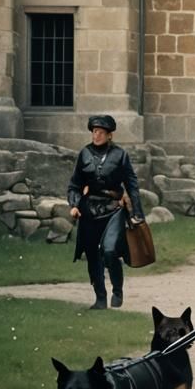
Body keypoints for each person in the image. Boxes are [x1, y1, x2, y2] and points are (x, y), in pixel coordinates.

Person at [67, 115, 145, 309]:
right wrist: (75, 204)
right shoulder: (84, 154)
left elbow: (132, 185)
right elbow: (74, 185)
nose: (97, 135)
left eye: (101, 132)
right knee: (92, 254)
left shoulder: (120, 155)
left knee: (110, 250)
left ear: (110, 135)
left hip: (113, 209)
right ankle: (100, 298)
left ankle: (117, 290)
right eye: (94, 131)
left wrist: (137, 213)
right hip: (89, 210)